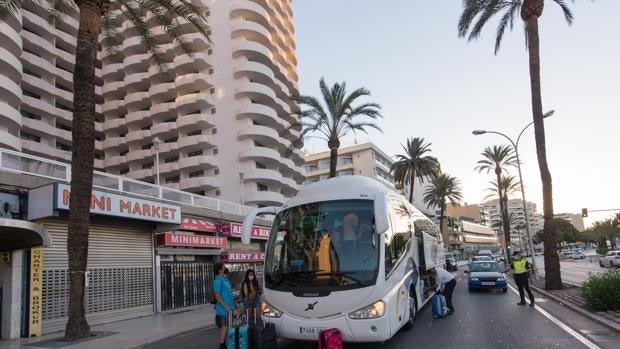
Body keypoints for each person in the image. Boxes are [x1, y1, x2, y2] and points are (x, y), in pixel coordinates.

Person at [213, 262, 234, 349]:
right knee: (225, 325)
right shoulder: (217, 281)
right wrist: (225, 307)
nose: (225, 267)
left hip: (229, 306)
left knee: (228, 325)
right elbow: (217, 296)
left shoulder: (225, 279)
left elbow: (228, 292)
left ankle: (224, 343)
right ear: (220, 270)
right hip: (223, 308)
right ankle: (222, 344)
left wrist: (234, 303)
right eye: (223, 266)